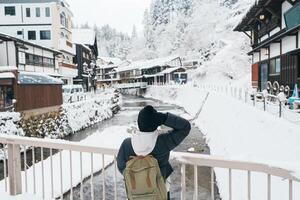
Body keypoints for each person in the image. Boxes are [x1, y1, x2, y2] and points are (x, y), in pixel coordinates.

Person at [117, 105, 191, 199]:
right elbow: (185, 127)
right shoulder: (163, 142)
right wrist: (164, 118)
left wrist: (137, 178)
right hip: (159, 192)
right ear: (156, 123)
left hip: (136, 193)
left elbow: (121, 165)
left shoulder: (127, 144)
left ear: (139, 123)